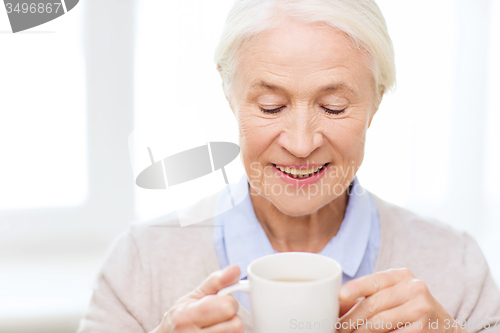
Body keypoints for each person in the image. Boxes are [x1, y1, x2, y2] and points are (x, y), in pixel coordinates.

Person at [78, 0, 500, 332]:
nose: (301, 144)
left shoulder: (456, 267)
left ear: (376, 102)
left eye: (333, 108)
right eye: (271, 106)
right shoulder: (141, 264)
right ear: (231, 97)